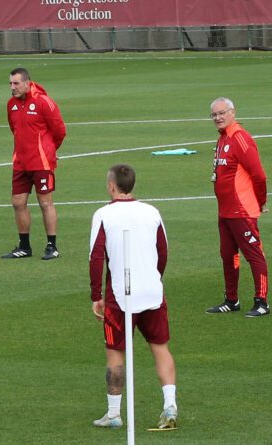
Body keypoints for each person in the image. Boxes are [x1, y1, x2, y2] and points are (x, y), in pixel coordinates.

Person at [89, 164, 178, 430]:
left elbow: (96, 257)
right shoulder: (152, 212)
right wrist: (155, 278)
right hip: (152, 291)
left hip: (119, 295)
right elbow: (163, 250)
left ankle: (114, 414)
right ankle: (170, 406)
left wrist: (96, 295)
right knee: (160, 348)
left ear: (111, 186)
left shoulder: (103, 214)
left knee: (115, 354)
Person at [205, 97, 271, 317]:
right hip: (225, 211)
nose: (218, 118)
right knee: (228, 255)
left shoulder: (240, 138)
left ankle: (262, 302)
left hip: (242, 210)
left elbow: (259, 175)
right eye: (214, 115)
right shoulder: (223, 139)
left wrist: (261, 201)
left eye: (222, 113)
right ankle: (231, 299)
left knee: (254, 255)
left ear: (233, 112)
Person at [2, 67, 66, 260]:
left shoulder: (43, 102)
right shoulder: (11, 104)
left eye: (16, 83)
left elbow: (59, 130)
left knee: (45, 202)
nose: (12, 87)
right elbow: (14, 129)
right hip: (20, 162)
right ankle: (24, 246)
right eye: (10, 84)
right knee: (17, 202)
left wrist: (47, 151)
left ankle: (52, 246)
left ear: (27, 83)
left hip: (41, 162)